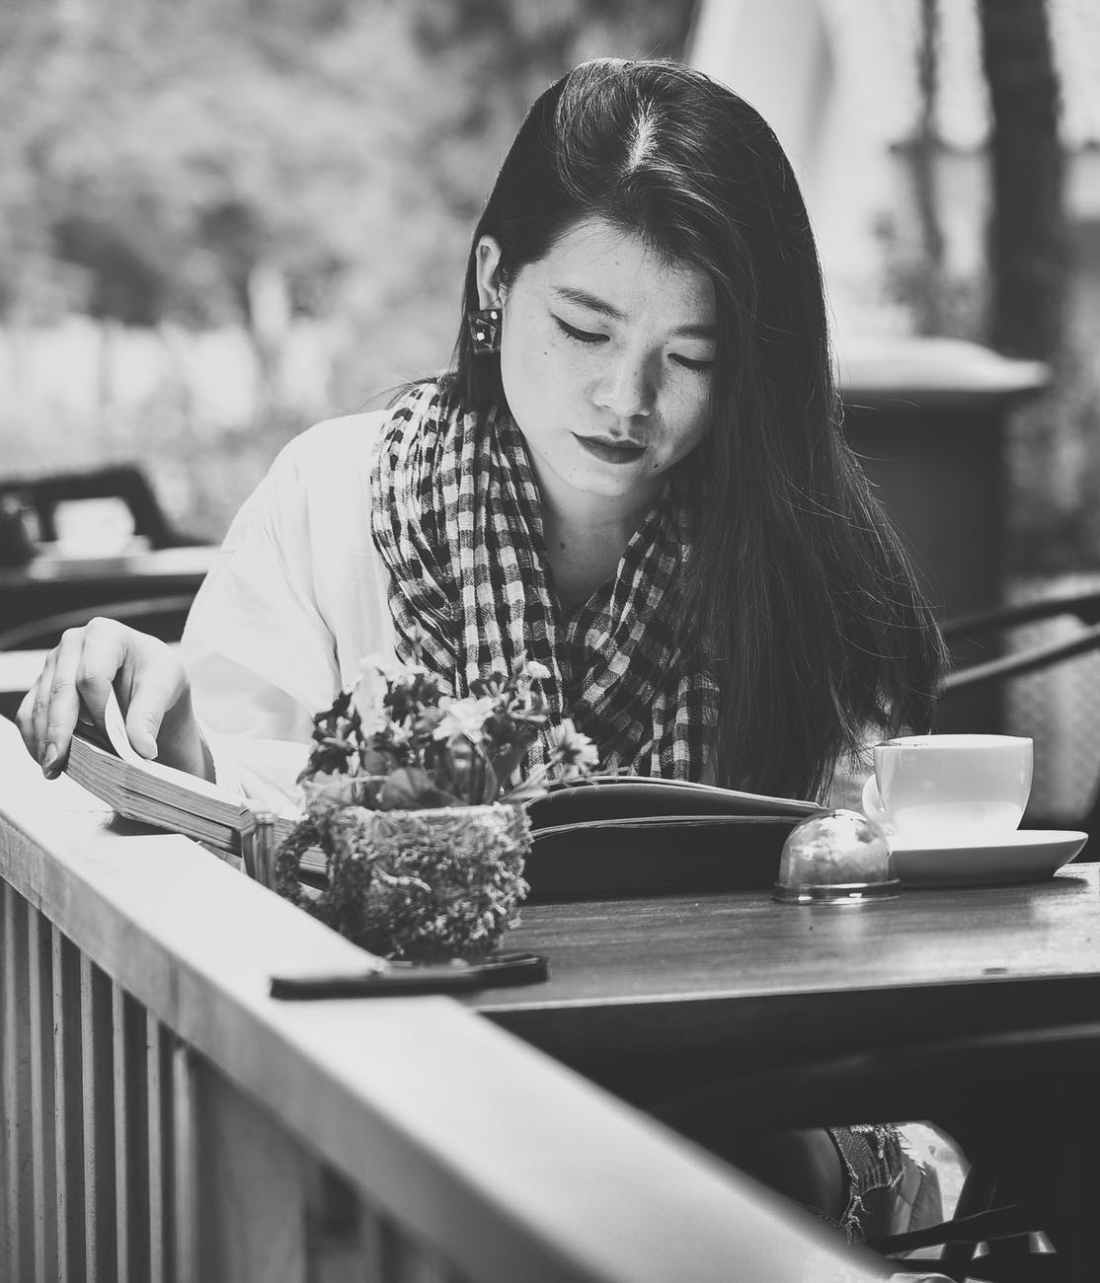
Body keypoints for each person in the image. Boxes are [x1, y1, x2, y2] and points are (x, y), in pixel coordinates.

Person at [17, 59, 946, 1242]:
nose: (625, 396)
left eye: (691, 356)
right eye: (583, 327)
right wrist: (165, 717)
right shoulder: (333, 498)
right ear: (495, 280)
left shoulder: (794, 552)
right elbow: (255, 829)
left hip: (747, 1125)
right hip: (404, 1112)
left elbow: (875, 917)